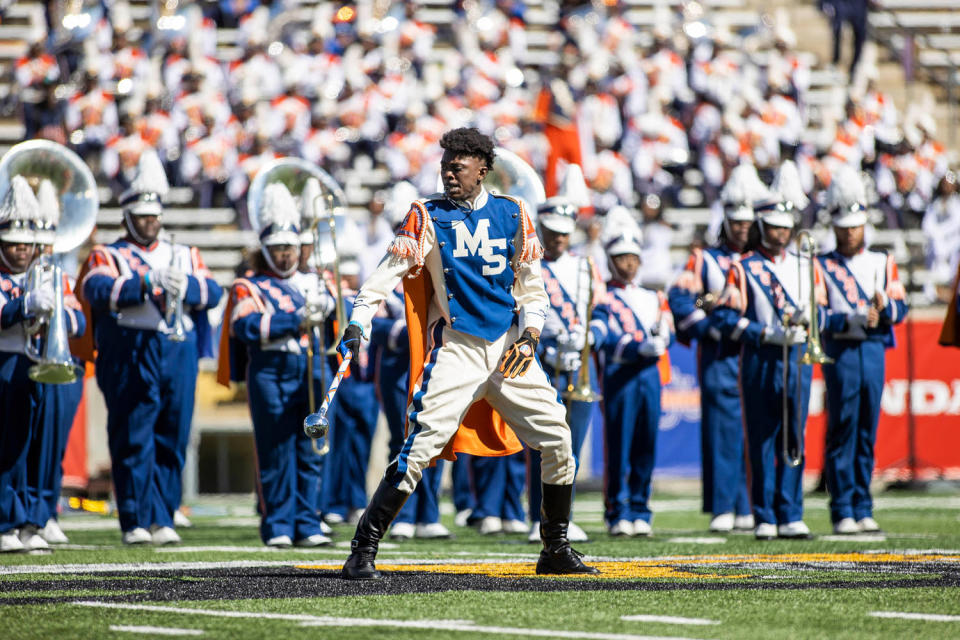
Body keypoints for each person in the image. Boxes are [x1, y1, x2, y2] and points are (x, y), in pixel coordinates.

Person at [336, 127, 596, 578]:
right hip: (456, 346)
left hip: (508, 347)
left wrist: (530, 335)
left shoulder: (513, 211)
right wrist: (359, 318)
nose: (449, 174)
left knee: (558, 438)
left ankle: (554, 547)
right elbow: (386, 272)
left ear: (483, 169)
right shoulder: (426, 213)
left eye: (458, 166)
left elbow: (533, 290)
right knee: (419, 447)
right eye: (445, 166)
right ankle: (363, 549)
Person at [80, 150, 222, 545]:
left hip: (176, 351)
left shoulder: (184, 253)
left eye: (155, 215)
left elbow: (212, 291)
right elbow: (96, 288)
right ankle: (135, 518)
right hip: (130, 348)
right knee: (132, 433)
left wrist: (188, 287)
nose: (151, 222)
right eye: (143, 216)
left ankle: (164, 515)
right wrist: (145, 282)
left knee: (172, 434)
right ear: (127, 215)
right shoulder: (109, 253)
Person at [218, 182, 335, 548]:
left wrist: (333, 310)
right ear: (264, 250)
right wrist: (296, 319)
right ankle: (278, 525)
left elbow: (339, 322)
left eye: (290, 248)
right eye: (277, 249)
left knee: (310, 448)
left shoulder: (319, 280)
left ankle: (308, 523)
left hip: (314, 368)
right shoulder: (249, 285)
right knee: (275, 450)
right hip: (271, 370)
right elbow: (245, 326)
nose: (284, 255)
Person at [712, 174, 825, 540]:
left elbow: (823, 310)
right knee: (760, 437)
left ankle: (791, 511)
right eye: (773, 227)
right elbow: (725, 317)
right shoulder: (743, 267)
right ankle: (764, 514)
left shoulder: (807, 263)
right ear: (762, 226)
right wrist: (763, 332)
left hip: (797, 357)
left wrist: (810, 321)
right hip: (761, 357)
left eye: (785, 227)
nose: (781, 234)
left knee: (794, 435)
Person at [668, 164, 764, 533]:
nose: (742, 227)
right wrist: (711, 324)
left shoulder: (760, 261)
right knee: (723, 429)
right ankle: (725, 503)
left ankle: (753, 503)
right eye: (735, 221)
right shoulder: (704, 258)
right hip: (720, 353)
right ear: (725, 221)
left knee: (756, 427)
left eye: (747, 221)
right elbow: (681, 302)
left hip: (755, 352)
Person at [818, 165, 908, 534]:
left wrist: (884, 307)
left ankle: (862, 502)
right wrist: (849, 319)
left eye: (855, 227)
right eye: (844, 228)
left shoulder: (883, 261)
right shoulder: (822, 265)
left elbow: (901, 308)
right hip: (841, 351)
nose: (850, 233)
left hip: (872, 349)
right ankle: (841, 507)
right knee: (843, 427)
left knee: (868, 428)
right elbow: (818, 314)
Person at [1, 177, 85, 552]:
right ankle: (6, 521)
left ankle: (31, 519)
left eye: (26, 243)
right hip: (4, 363)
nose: (21, 249)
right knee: (6, 448)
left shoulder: (51, 276)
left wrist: (58, 315)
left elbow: (79, 321)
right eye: (12, 243)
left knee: (34, 444)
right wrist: (26, 305)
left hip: (37, 364)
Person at [526, 185, 605, 543]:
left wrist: (591, 337)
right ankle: (536, 516)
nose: (558, 240)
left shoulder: (585, 267)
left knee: (571, 446)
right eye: (552, 233)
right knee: (543, 442)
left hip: (577, 363)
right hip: (542, 360)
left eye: (563, 234)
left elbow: (601, 312)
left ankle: (563, 516)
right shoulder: (529, 265)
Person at [597, 207, 674, 537]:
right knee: (620, 445)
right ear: (611, 260)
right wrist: (633, 347)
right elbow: (604, 340)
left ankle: (641, 507)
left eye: (632, 257)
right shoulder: (604, 297)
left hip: (649, 376)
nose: (628, 264)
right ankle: (617, 511)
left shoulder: (652, 296)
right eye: (621, 258)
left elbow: (665, 325)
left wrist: (663, 337)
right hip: (620, 376)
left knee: (646, 443)